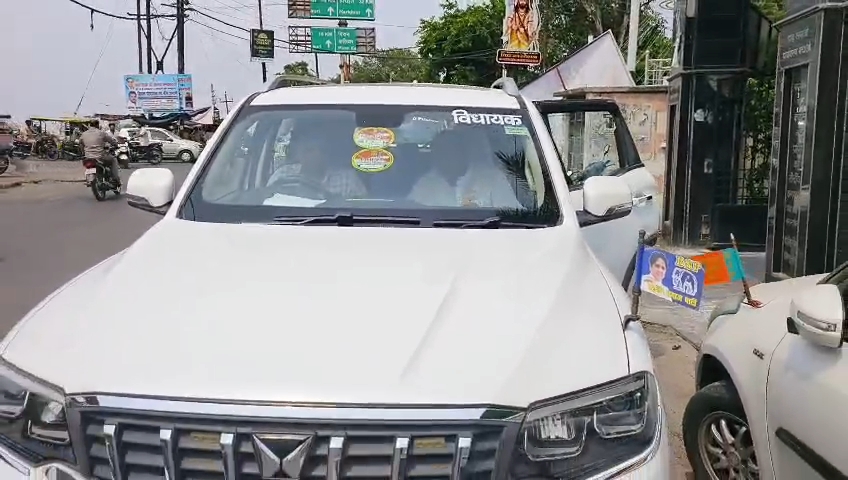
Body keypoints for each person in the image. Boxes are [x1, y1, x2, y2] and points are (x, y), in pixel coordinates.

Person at [408, 128, 522, 208]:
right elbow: (413, 210)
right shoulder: (426, 183)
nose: (442, 158)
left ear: (462, 153)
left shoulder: (492, 178)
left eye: (448, 152)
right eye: (438, 153)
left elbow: (512, 213)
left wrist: (480, 214)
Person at [270, 132, 367, 198]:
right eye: (301, 150)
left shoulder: (347, 180)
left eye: (309, 150)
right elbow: (267, 198)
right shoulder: (283, 175)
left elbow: (362, 208)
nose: (304, 154)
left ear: (324, 152)